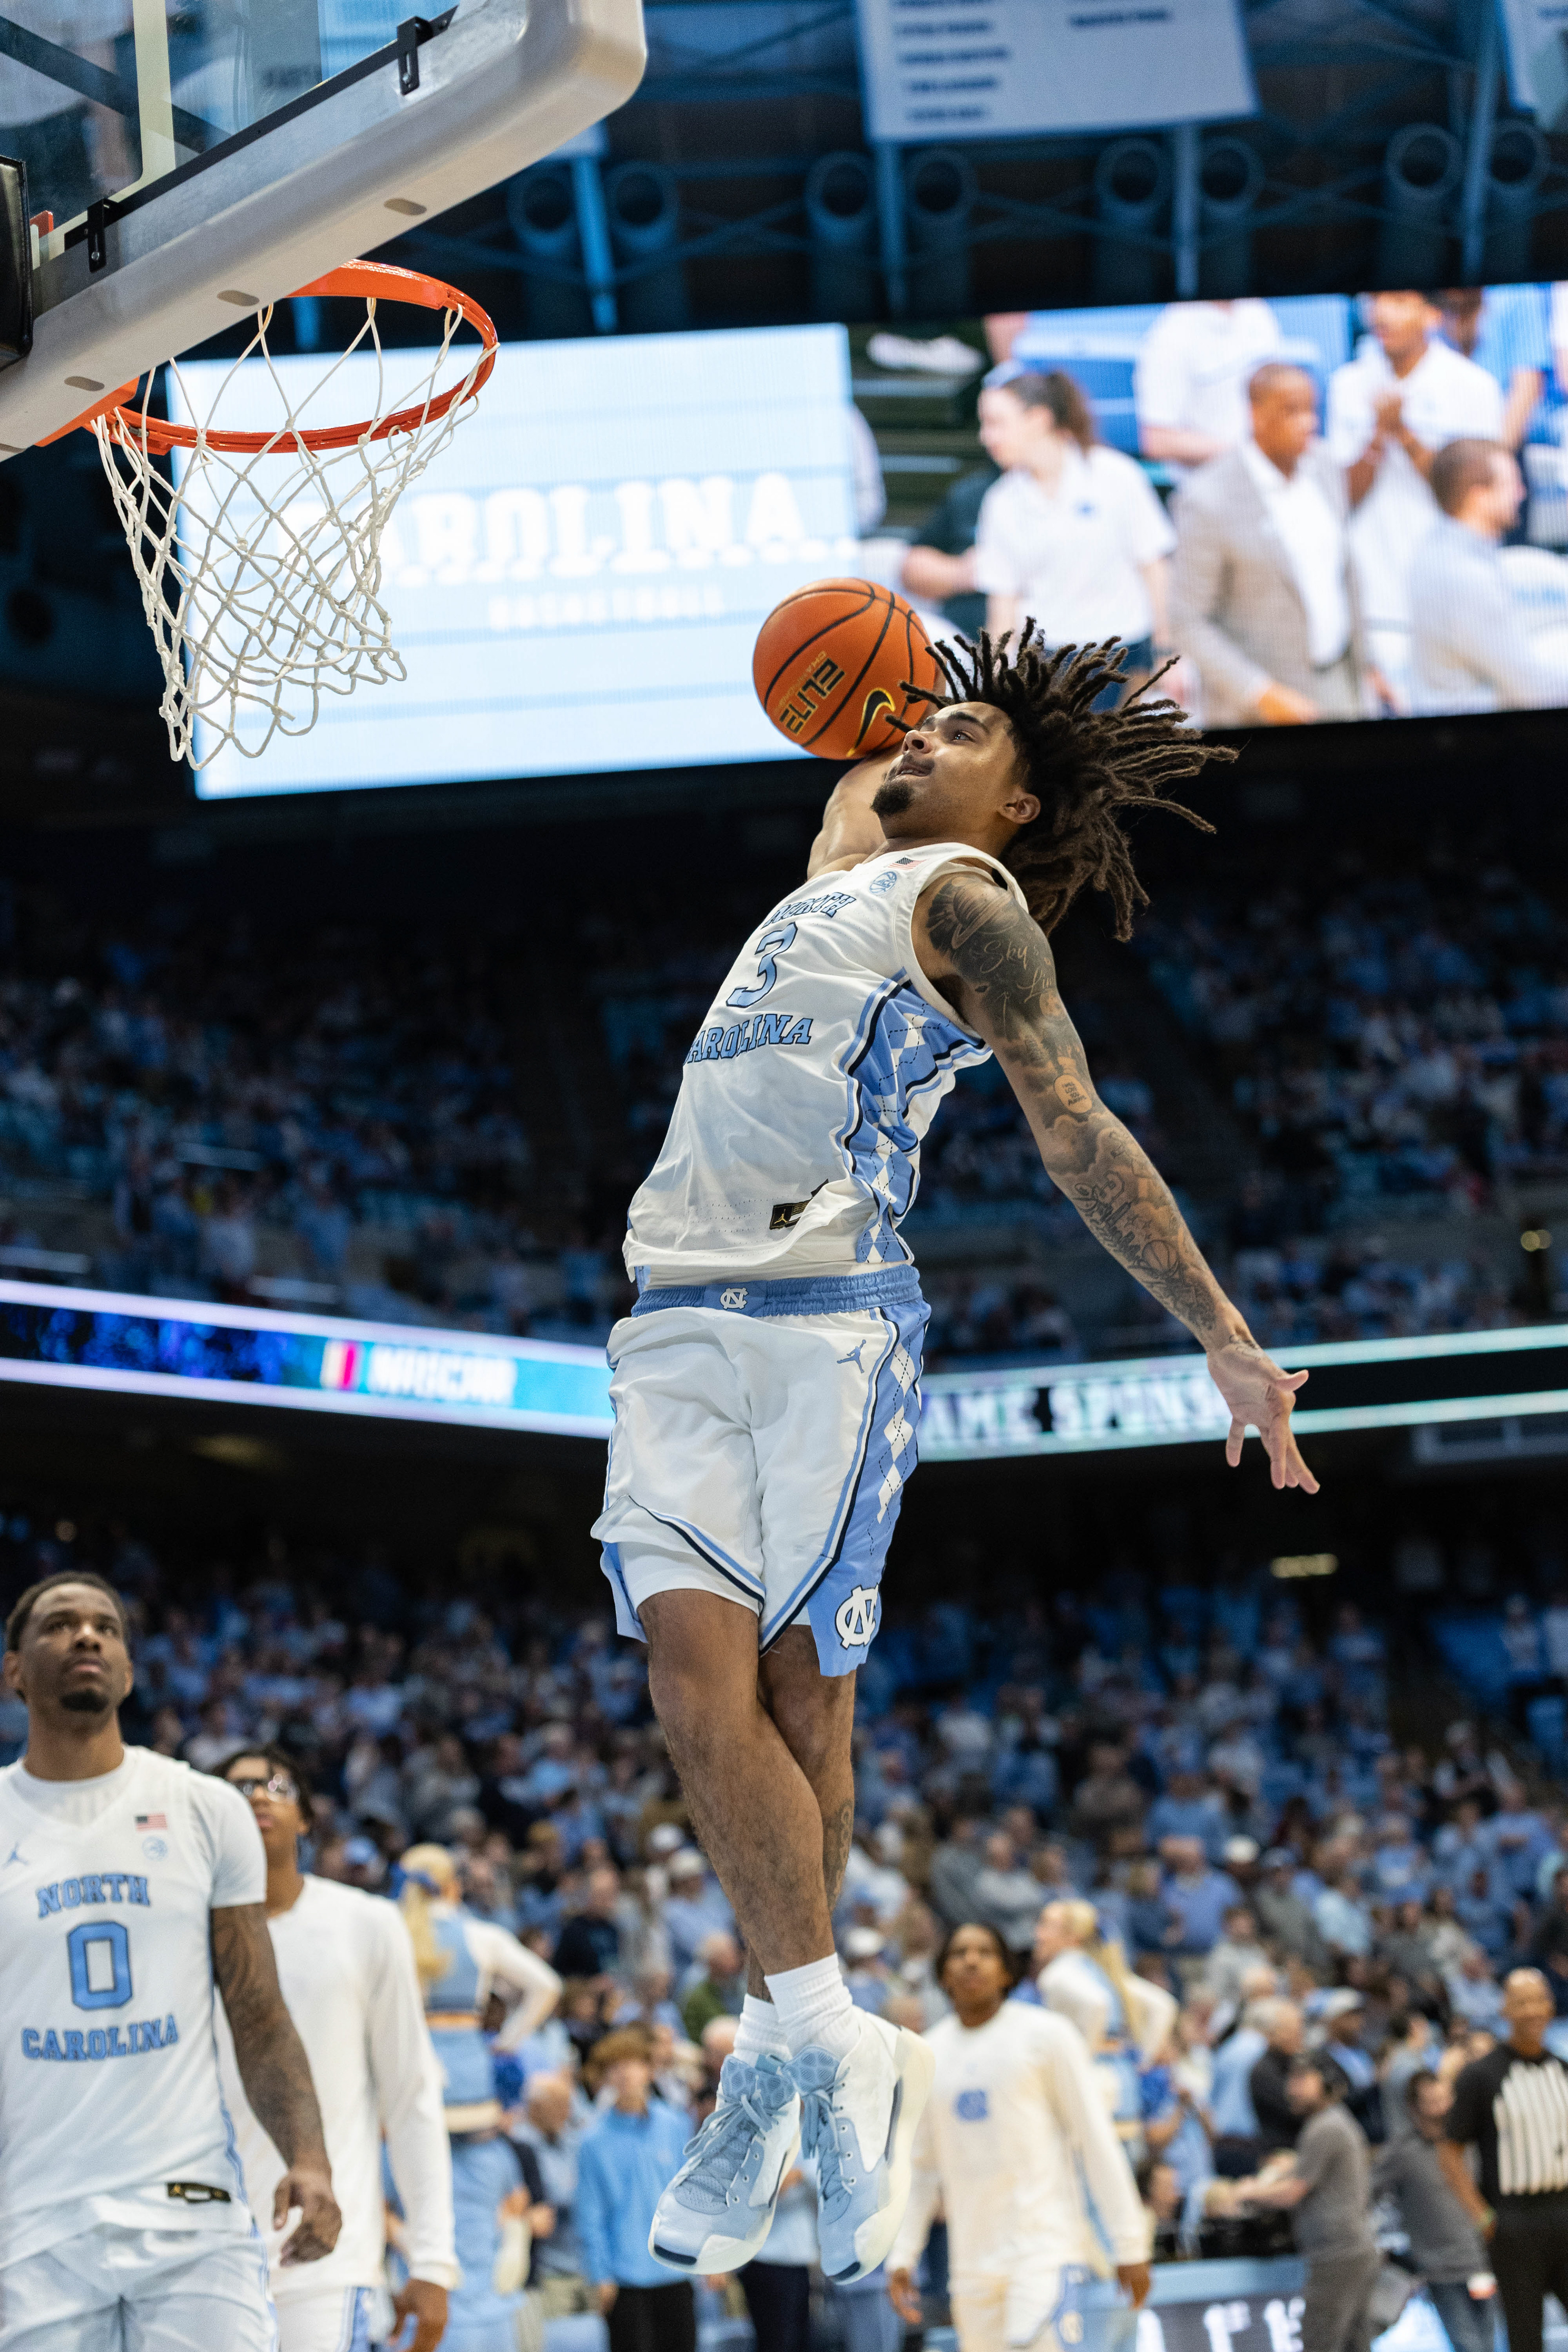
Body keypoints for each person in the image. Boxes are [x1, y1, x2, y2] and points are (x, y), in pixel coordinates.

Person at [594, 624, 1317, 2283]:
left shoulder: (969, 907)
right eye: (917, 727)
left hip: (822, 1312)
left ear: (1026, 807)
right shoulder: (859, 842)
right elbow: (862, 765)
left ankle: (800, 2054)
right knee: (683, 1682)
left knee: (795, 1695)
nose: (917, 744)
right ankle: (817, 2036)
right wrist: (927, 706)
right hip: (672, 1304)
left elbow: (1076, 1130)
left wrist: (1220, 1332)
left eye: (962, 734)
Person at [0, 1571, 341, 2350]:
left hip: (191, 2206)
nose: (87, 1636)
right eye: (58, 1626)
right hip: (34, 2220)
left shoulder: (204, 1808)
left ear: (128, 1669)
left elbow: (258, 2011)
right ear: (14, 1670)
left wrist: (310, 2161)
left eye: (106, 1627)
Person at [214, 1744, 457, 2352]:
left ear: (306, 1821)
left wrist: (432, 2261)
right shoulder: (186, 1937)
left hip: (328, 2257)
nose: (259, 1796)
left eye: (277, 1786)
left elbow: (411, 2096)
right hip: (205, 2259)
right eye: (238, 1788)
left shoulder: (365, 1923)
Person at [886, 1922, 1150, 2352]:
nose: (972, 1960)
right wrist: (903, 2255)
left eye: (985, 1951)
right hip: (971, 2266)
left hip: (1043, 2253)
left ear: (1007, 1972)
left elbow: (1096, 2141)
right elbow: (922, 2170)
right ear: (943, 1975)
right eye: (960, 1953)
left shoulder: (1047, 2035)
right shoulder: (928, 2056)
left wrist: (1129, 2242)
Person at [1325, 290, 1503, 705]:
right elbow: (1339, 498)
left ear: (1432, 315)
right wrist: (1375, 438)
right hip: (1373, 601)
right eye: (1376, 299)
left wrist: (1404, 434)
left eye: (1400, 300)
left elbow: (1469, 501)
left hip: (1451, 599)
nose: (1382, 312)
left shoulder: (1474, 387)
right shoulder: (1347, 384)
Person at [1169, 362, 1368, 726]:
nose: (1309, 422)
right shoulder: (1208, 497)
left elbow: (1342, 578)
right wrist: (1260, 692)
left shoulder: (1324, 466)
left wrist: (1367, 663)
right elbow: (1187, 620)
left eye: (1312, 409)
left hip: (1341, 677)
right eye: (1292, 411)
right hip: (1262, 703)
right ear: (1256, 415)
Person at [974, 372, 1176, 697]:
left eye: (996, 423)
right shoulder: (1001, 501)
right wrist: (995, 679)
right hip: (1047, 665)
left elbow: (1155, 567)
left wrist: (1168, 651)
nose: (986, 436)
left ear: (1038, 420)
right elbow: (1003, 603)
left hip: (1126, 656)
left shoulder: (1116, 475)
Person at [1439, 1968, 1568, 2352]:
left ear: (1550, 2006)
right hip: (1514, 2221)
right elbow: (1449, 2151)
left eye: (1538, 2000)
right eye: (1521, 2002)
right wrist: (1482, 2216)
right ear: (1505, 2010)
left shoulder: (1562, 2071)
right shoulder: (1481, 2077)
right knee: (1526, 2337)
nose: (1531, 2011)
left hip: (1565, 2210)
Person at [1408, 438, 1568, 714]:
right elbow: (1532, 689)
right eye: (1511, 485)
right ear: (1478, 496)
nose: (1521, 493)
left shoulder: (1435, 550)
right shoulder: (1465, 576)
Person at [1236, 2055, 1379, 2352]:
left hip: (1337, 2254)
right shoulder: (1330, 2123)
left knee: (1319, 2343)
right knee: (1355, 2345)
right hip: (1352, 2250)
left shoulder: (1325, 2127)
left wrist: (1249, 2193)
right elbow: (1303, 2170)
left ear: (1328, 2085)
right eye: (1292, 2080)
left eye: (1303, 2080)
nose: (1292, 2089)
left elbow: (1293, 2193)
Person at [575, 2027, 697, 2352]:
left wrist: (707, 2257)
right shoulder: (593, 2142)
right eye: (615, 2066)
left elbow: (691, 2195)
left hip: (676, 2271)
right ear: (605, 2077)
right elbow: (590, 2213)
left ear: (649, 2069)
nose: (626, 2073)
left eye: (633, 2063)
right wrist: (600, 2275)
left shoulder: (675, 2124)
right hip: (626, 2276)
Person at [1033, 1897, 1176, 2156]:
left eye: (1047, 1925)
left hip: (1092, 2084)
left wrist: (1080, 2061)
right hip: (1122, 2080)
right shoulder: (1102, 1971)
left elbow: (1095, 2006)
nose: (1038, 1933)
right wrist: (1143, 2060)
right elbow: (1163, 2006)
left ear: (1073, 1936)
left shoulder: (1058, 1973)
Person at [1375, 2071, 1494, 2352]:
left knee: (1489, 2342)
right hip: (1439, 2270)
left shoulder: (1470, 2143)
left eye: (1445, 2099)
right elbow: (1368, 2193)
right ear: (1414, 2108)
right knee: (1468, 2344)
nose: (1442, 2108)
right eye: (1432, 2102)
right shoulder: (1403, 2152)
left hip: (1481, 2263)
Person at [1134, 298, 1285, 474]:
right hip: (1213, 483)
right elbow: (1158, 441)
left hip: (1273, 471)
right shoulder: (1170, 338)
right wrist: (1250, 455)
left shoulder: (1257, 310)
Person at [514, 2069, 592, 2316]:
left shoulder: (571, 2140)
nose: (566, 2112)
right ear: (534, 2107)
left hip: (583, 2266)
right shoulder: (520, 2147)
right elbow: (557, 2197)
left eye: (568, 2105)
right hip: (548, 2271)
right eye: (558, 2105)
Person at [900, 460, 1001, 642]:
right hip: (960, 639)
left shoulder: (1066, 500)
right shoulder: (973, 492)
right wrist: (964, 572)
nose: (985, 438)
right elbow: (911, 567)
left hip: (1040, 639)